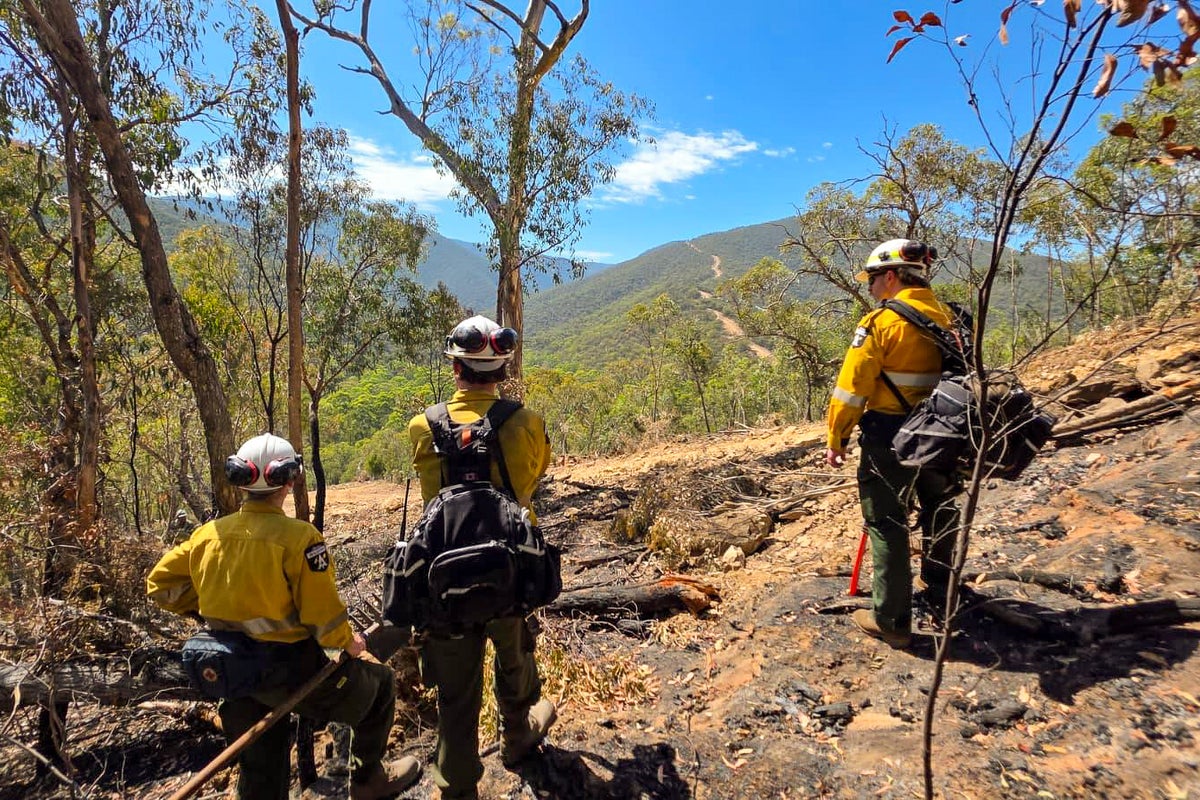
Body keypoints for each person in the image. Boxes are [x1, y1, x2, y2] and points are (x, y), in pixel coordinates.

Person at [147, 433, 421, 800]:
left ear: (240, 479)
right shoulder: (300, 539)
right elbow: (322, 617)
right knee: (382, 686)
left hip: (233, 672)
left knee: (260, 771)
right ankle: (369, 781)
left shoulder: (206, 536)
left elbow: (160, 585)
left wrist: (203, 607)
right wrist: (349, 643)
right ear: (289, 480)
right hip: (292, 673)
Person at [407, 315, 556, 800]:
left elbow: (431, 495)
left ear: (455, 366)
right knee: (514, 655)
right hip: (510, 568)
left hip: (442, 572)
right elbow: (534, 477)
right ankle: (518, 737)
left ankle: (457, 786)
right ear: (503, 370)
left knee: (455, 693)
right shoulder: (526, 422)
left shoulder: (422, 425)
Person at [825, 239, 962, 649]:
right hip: (944, 433)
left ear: (890, 276)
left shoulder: (880, 322)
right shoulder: (951, 317)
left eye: (871, 278)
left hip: (890, 437)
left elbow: (852, 388)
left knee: (887, 523)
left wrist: (838, 437)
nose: (869, 287)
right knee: (942, 510)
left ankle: (891, 619)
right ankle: (943, 591)